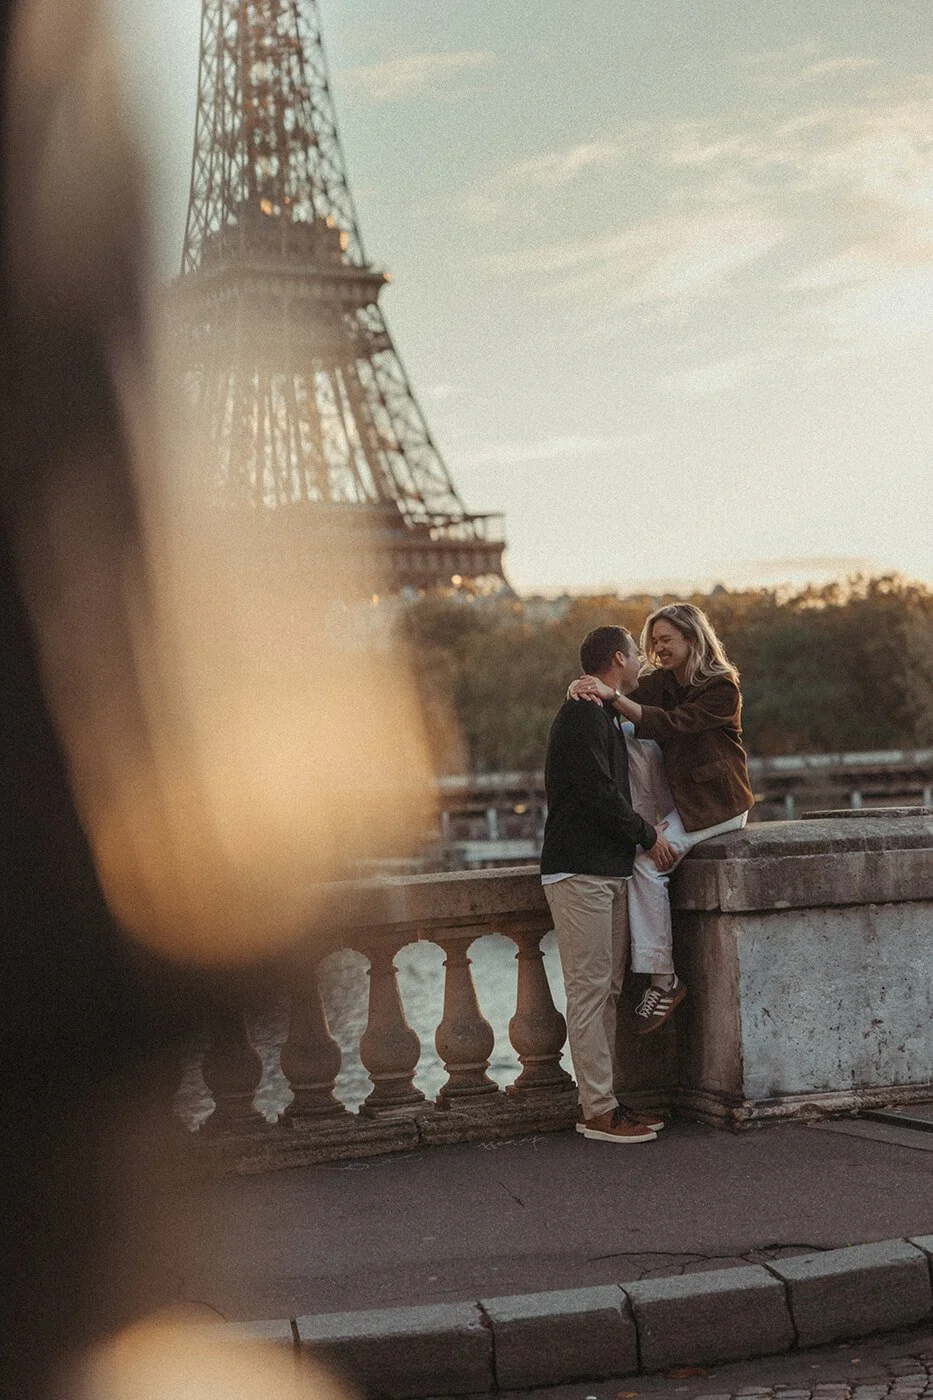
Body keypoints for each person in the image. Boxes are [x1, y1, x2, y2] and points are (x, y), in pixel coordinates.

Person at [569, 603, 754, 1036]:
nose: (657, 648)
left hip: (717, 803)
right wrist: (586, 690)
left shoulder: (722, 687)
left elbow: (671, 724)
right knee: (627, 732)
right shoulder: (663, 683)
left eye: (665, 639)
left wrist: (611, 695)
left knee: (646, 863)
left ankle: (664, 980)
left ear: (692, 639)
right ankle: (661, 975)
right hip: (683, 802)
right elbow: (622, 698)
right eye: (652, 641)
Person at [541, 625, 677, 1143]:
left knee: (609, 991)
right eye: (637, 653)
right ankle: (596, 1109)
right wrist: (646, 836)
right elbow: (598, 794)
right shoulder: (581, 715)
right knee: (590, 992)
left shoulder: (599, 710)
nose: (643, 661)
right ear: (618, 659)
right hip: (580, 872)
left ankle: (606, 1101)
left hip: (605, 870)